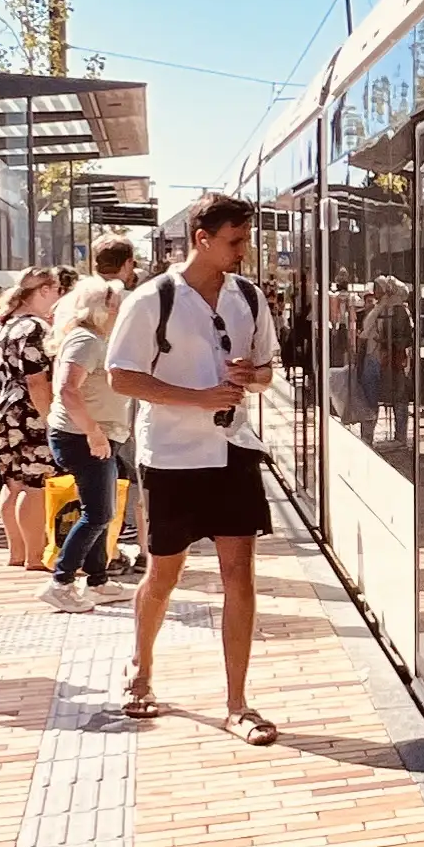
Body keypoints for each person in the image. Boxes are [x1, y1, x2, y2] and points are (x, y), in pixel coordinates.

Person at [106, 194, 278, 739]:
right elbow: (120, 376)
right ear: (202, 239)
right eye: (236, 241)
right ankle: (142, 667)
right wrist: (195, 397)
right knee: (164, 573)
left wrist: (252, 375)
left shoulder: (248, 296)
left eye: (245, 240)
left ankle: (237, 702)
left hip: (233, 449)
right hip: (173, 457)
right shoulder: (151, 298)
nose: (244, 251)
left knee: (239, 576)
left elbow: (269, 372)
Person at [45, 255, 130, 600]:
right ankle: (61, 582)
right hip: (85, 437)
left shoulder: (92, 338)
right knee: (99, 513)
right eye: (115, 306)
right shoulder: (85, 340)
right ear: (99, 308)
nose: (119, 312)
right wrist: (94, 432)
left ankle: (98, 579)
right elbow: (67, 389)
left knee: (100, 510)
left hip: (94, 435)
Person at [0, 264, 63, 572]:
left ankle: (17, 551)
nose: (58, 296)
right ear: (43, 291)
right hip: (31, 411)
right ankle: (35, 554)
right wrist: (51, 420)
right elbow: (37, 381)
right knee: (37, 484)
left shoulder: (4, 325)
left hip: (6, 411)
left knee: (13, 482)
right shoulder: (35, 328)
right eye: (57, 290)